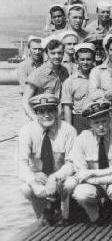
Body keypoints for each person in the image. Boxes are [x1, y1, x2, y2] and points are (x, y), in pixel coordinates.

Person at [65, 97, 112, 226]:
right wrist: (93, 177)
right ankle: (94, 216)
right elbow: (81, 173)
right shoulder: (82, 139)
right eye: (96, 123)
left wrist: (92, 173)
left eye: (104, 121)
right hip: (94, 183)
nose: (101, 126)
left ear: (110, 119)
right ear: (90, 123)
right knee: (80, 193)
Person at [18, 94, 77, 225]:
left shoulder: (69, 131)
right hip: (39, 178)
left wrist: (55, 177)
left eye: (50, 110)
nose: (46, 115)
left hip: (61, 177)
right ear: (36, 114)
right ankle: (44, 211)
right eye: (41, 111)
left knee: (70, 184)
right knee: (25, 188)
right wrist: (33, 180)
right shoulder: (26, 131)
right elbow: (21, 164)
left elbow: (71, 163)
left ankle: (64, 212)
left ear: (56, 111)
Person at [22, 38, 69, 120]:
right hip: (44, 118)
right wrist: (36, 119)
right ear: (47, 53)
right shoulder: (37, 74)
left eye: (60, 53)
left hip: (60, 119)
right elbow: (25, 101)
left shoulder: (64, 72)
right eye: (53, 53)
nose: (57, 56)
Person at [61, 43, 95, 133]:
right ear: (76, 60)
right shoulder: (70, 82)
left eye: (88, 59)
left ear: (93, 60)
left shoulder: (99, 76)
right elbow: (67, 107)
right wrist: (69, 129)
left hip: (97, 117)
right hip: (79, 119)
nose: (85, 62)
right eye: (82, 59)